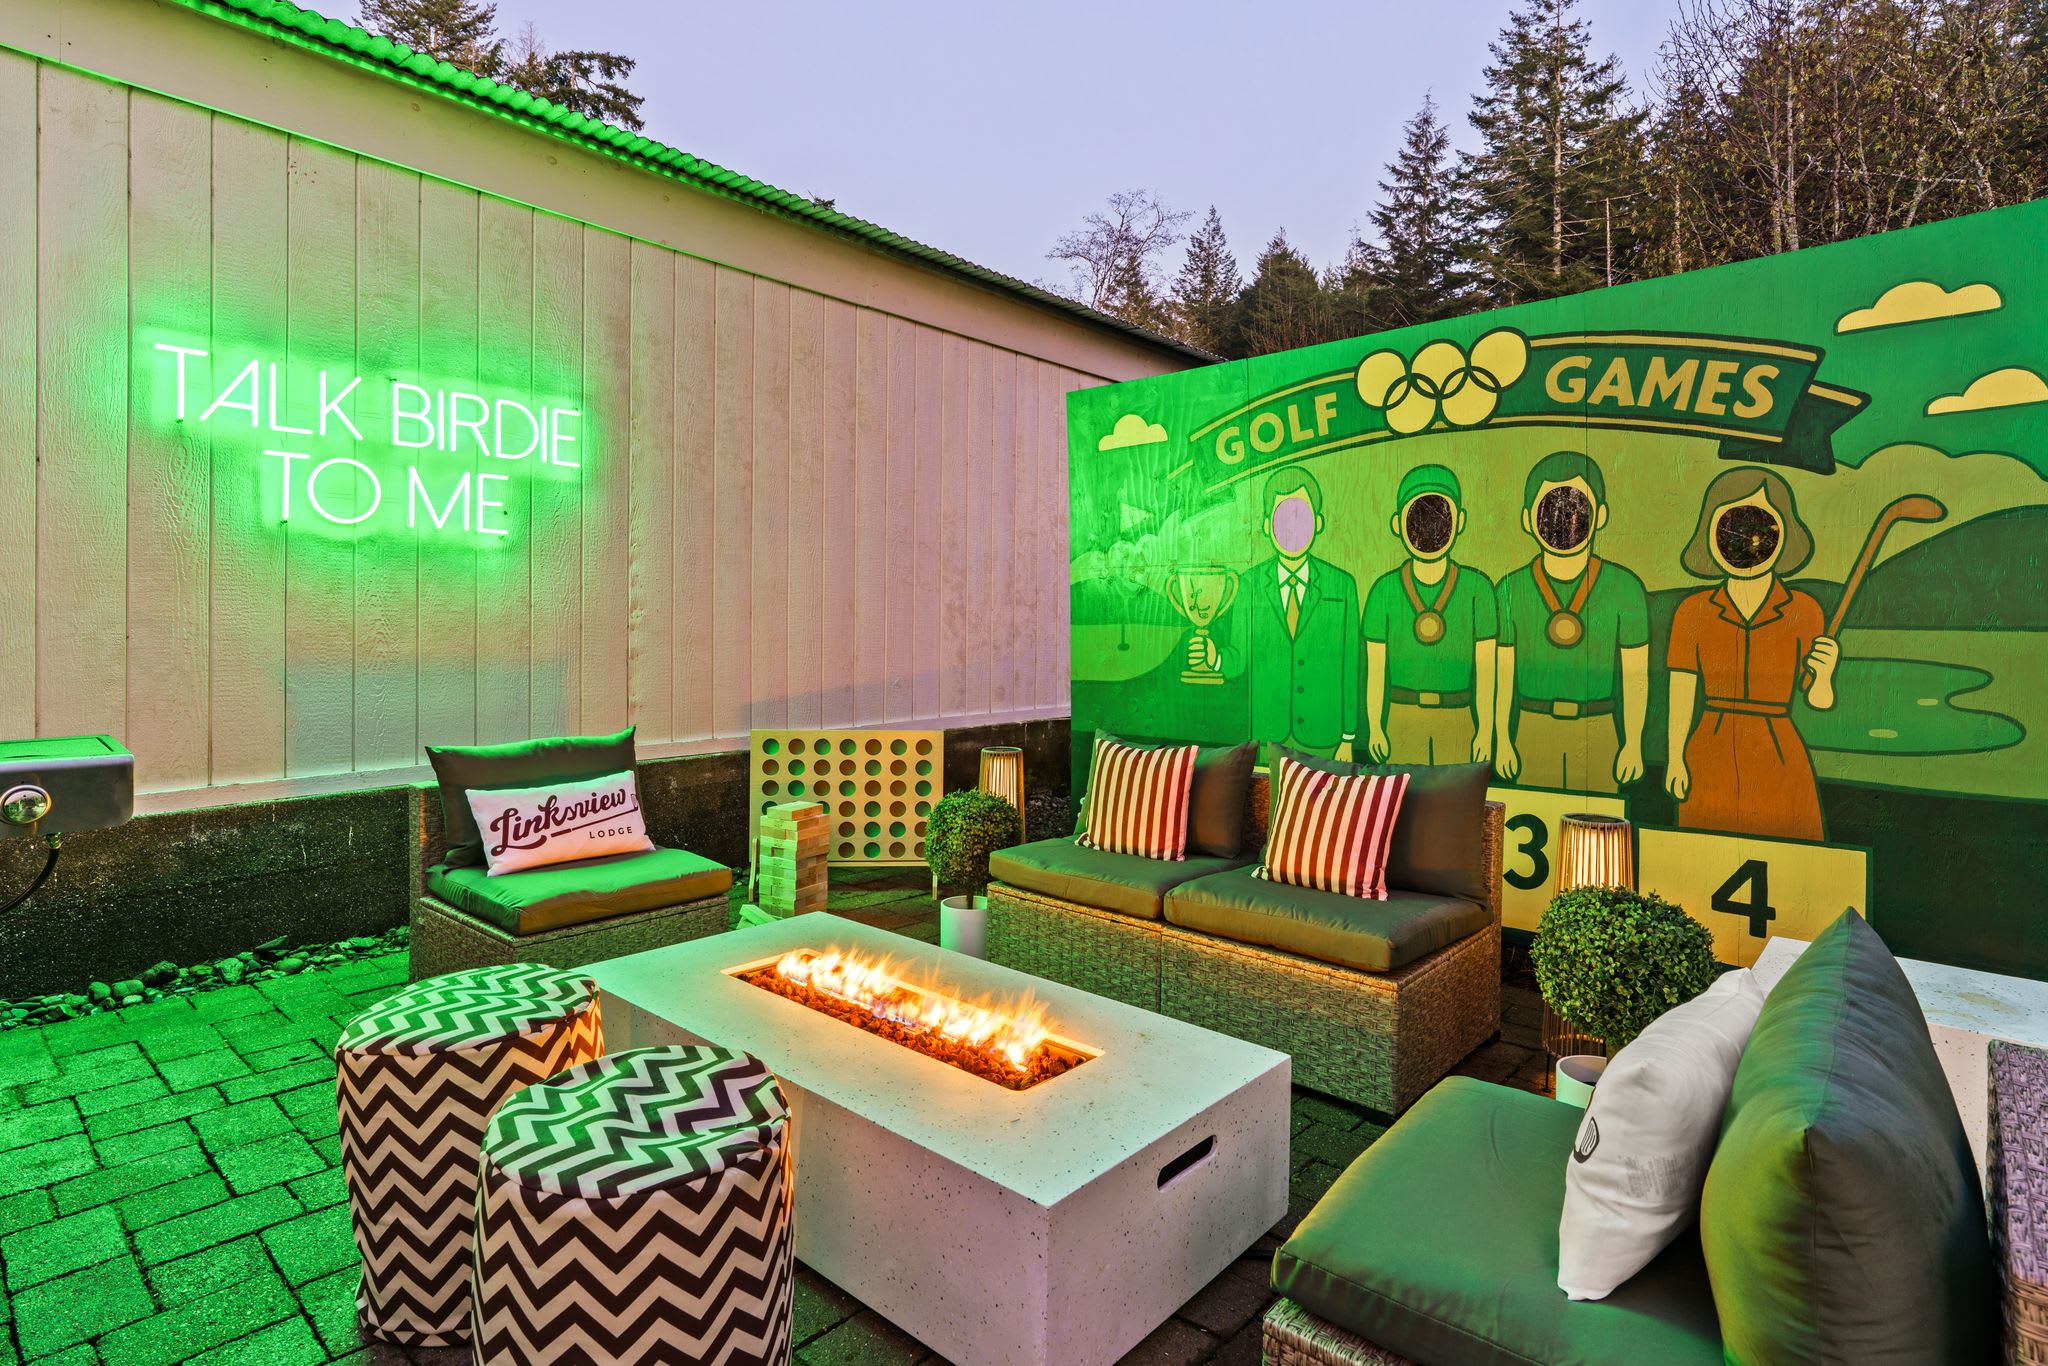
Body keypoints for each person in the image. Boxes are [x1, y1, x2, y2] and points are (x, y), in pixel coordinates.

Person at [1665, 467, 1838, 841]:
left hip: (1778, 749)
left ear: (1785, 533)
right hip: (1710, 746)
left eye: (1761, 526)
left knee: (1789, 847)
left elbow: (1819, 701)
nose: (1748, 540)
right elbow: (1681, 688)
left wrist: (1824, 675)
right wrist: (1675, 756)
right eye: (1734, 526)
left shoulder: (1804, 610)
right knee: (1703, 844)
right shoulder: (1693, 611)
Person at [1493, 451, 1649, 792]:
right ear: (1527, 519)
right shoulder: (1510, 589)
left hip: (1599, 728)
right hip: (1532, 726)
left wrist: (1633, 742)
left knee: (1600, 818)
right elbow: (1503, 674)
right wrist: (1502, 737)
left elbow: (1636, 676)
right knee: (1532, 808)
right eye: (1550, 509)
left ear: (1601, 515)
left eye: (1577, 507)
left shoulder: (1625, 588)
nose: (1564, 520)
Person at [1202, 467, 1359, 760]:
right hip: (1267, 735)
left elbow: (1350, 666)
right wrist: (1215, 659)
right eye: (1282, 517)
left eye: (1301, 516)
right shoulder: (1248, 584)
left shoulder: (1342, 585)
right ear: (1266, 525)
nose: (1292, 528)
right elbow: (1238, 658)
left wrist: (1348, 737)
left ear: (1318, 522)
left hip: (1323, 735)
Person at [1361, 464, 1497, 764]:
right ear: (1397, 524)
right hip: (1401, 716)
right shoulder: (1384, 590)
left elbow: (1487, 669)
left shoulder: (1478, 588)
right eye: (1418, 515)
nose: (1429, 527)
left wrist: (1485, 730)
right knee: (1404, 792)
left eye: (1438, 513)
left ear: (1460, 521)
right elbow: (1376, 671)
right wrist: (1375, 727)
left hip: (1458, 716)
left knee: (1455, 792)